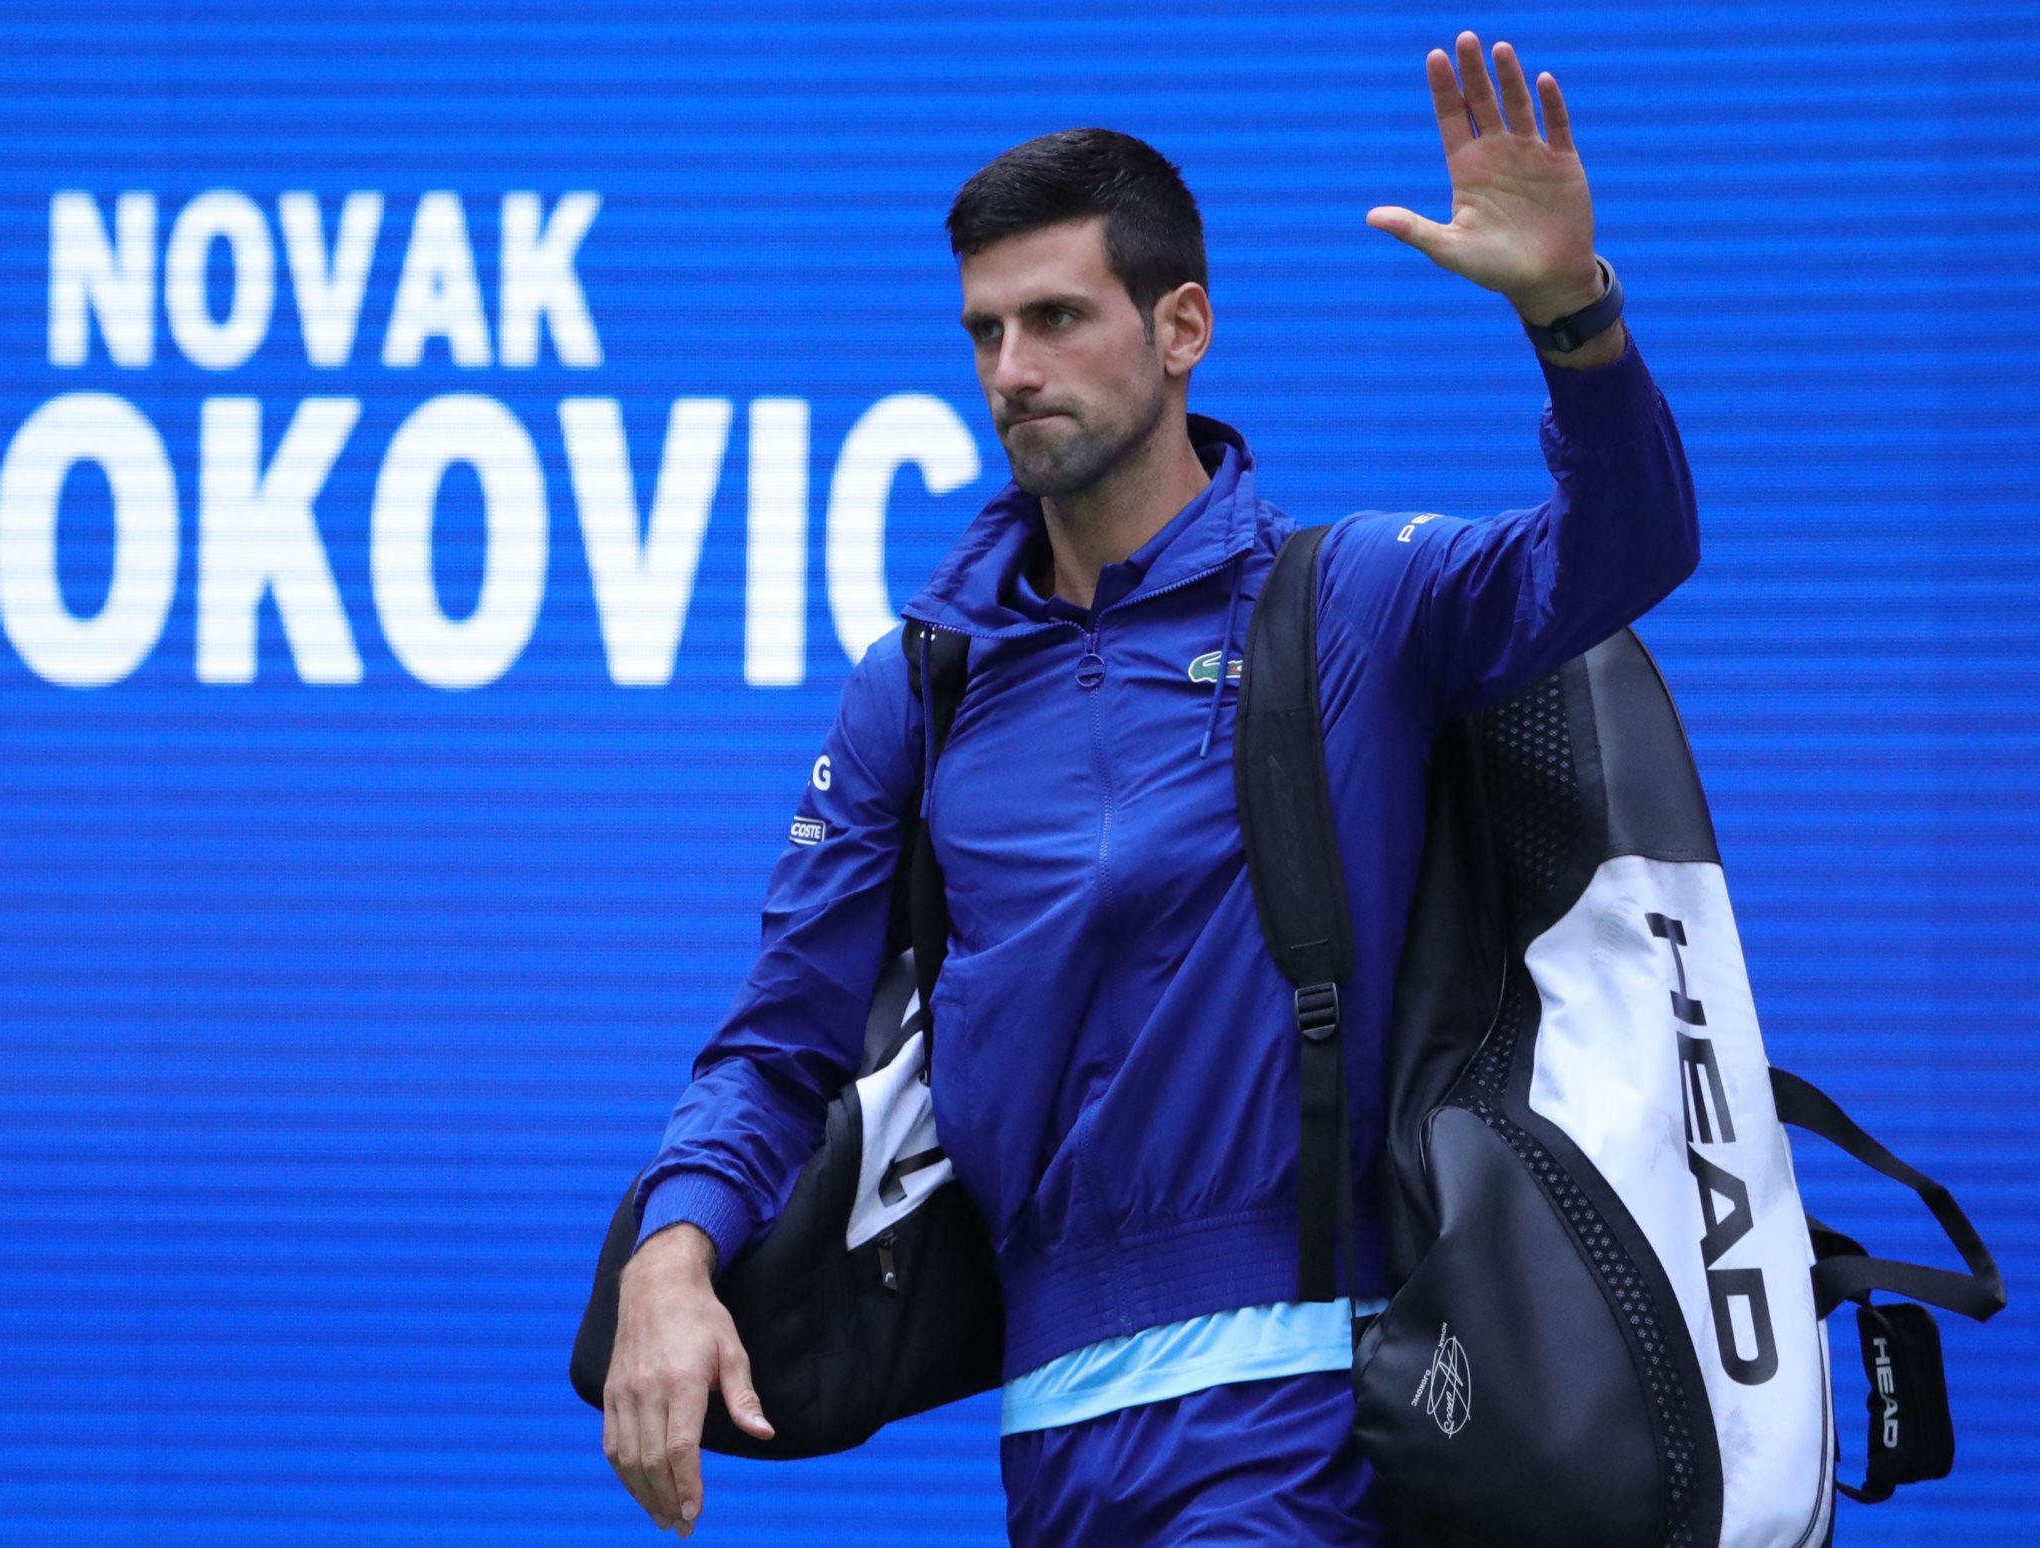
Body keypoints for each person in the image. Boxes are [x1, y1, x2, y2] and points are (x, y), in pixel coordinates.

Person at [600, 30, 1697, 1545]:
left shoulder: (1355, 600)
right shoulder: (918, 686)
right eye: (985, 331)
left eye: (1056, 319)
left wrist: (1571, 316)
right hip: (1052, 1434)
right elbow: (781, 1041)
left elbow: (1630, 544)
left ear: (1183, 327)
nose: (1013, 371)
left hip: (1315, 1416)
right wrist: (670, 1258)